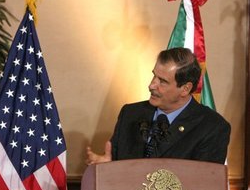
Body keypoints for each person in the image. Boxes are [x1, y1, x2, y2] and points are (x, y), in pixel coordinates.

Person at [86, 47, 230, 165]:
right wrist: (107, 167)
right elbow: (115, 164)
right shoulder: (130, 113)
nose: (151, 85)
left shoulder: (212, 127)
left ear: (185, 89)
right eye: (154, 76)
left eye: (162, 81)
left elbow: (203, 186)